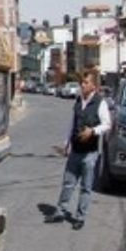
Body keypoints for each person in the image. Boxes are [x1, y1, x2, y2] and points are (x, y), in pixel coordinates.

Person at [45, 69, 110, 230]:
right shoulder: (78, 101)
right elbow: (72, 123)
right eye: (82, 82)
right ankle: (60, 212)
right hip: (75, 151)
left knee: (86, 188)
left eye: (86, 82)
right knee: (68, 183)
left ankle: (80, 217)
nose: (82, 85)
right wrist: (66, 143)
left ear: (93, 86)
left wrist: (93, 131)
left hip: (90, 153)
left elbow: (107, 124)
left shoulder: (100, 103)